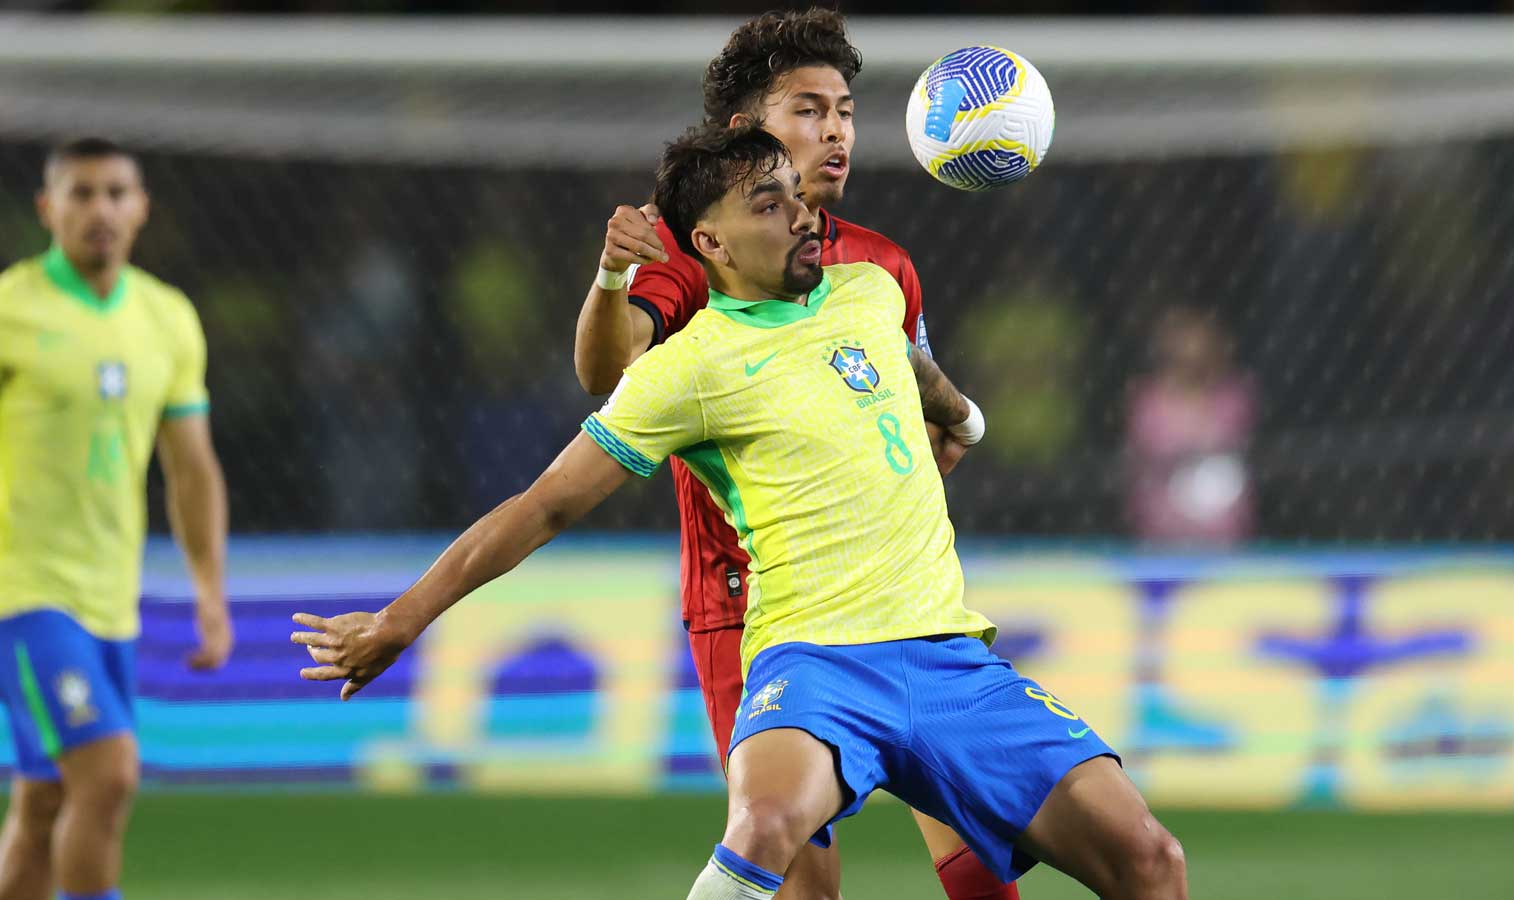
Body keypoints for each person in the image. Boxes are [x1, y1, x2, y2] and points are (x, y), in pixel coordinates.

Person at [293, 125, 1186, 900]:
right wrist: (400, 621)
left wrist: (961, 417)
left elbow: (914, 369)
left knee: (1149, 859)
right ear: (710, 243)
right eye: (769, 205)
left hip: (948, 656)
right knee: (763, 828)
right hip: (816, 665)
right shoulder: (687, 369)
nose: (801, 215)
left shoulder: (868, 292)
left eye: (797, 197)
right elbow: (543, 507)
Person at [571, 10, 1002, 898]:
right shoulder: (704, 254)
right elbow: (610, 372)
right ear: (744, 134)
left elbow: (908, 405)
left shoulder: (882, 266)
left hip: (894, 603)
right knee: (804, 883)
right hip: (753, 608)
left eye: (844, 110)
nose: (835, 130)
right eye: (807, 111)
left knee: (980, 853)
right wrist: (613, 277)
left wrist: (945, 429)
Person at [0, 138, 233, 900]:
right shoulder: (12, 309)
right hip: (23, 594)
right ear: (48, 209)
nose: (99, 209)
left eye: (114, 193)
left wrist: (208, 589)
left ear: (141, 209)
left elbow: (190, 466)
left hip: (110, 599)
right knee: (109, 772)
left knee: (45, 803)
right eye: (81, 194)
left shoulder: (167, 319)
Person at [1125, 306, 1256, 549]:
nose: (1191, 358)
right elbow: (1149, 449)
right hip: (1163, 525)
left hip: (1221, 524)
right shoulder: (1149, 401)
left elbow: (1233, 438)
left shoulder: (1231, 396)